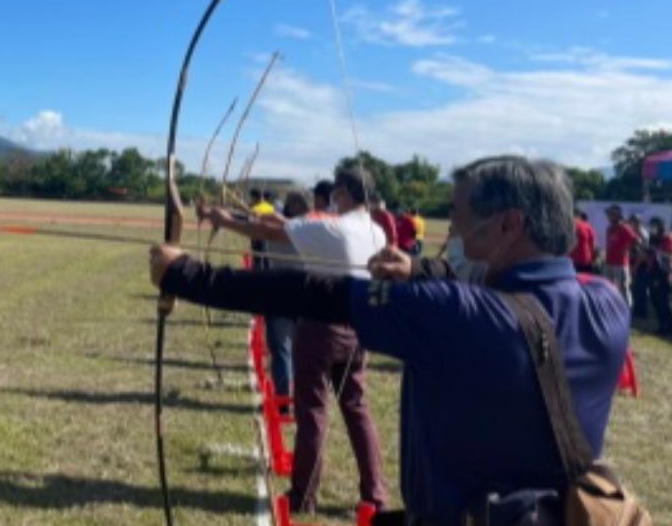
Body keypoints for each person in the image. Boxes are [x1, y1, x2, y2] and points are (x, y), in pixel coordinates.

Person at [151, 155, 629, 524]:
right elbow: (504, 289)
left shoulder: (457, 314)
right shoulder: (609, 305)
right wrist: (420, 268)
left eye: (461, 217)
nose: (455, 230)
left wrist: (185, 275)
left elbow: (315, 292)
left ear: (508, 225)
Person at [196, 168, 389, 514]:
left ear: (343, 192)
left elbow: (270, 229)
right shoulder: (375, 230)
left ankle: (304, 496)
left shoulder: (332, 226)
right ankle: (375, 495)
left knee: (312, 411)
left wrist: (222, 219)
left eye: (336, 194)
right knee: (357, 410)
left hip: (321, 326)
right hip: (361, 328)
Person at [261, 191, 310, 399]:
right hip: (292, 293)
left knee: (289, 350)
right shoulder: (312, 230)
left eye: (296, 203)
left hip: (289, 294)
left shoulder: (303, 230)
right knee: (287, 351)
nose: (293, 207)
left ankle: (290, 397)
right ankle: (287, 398)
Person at [604, 205, 639, 308]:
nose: (608, 216)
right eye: (608, 214)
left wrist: (627, 249)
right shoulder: (610, 228)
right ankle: (611, 307)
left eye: (611, 214)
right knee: (608, 287)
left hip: (621, 263)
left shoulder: (624, 228)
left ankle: (628, 310)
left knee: (624, 288)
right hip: (609, 262)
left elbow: (636, 240)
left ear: (617, 215)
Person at [646, 217, 672, 334]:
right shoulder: (653, 239)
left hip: (663, 272)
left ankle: (666, 327)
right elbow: (650, 254)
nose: (652, 229)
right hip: (653, 271)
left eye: (654, 226)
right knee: (654, 299)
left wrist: (656, 251)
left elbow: (667, 255)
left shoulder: (667, 238)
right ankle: (662, 325)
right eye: (651, 226)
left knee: (663, 300)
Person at [628, 214, 650, 319]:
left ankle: (642, 312)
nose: (630, 224)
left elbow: (643, 254)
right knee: (635, 288)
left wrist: (635, 267)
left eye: (632, 222)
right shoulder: (632, 233)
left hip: (642, 264)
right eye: (630, 222)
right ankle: (637, 309)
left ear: (638, 223)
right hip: (633, 263)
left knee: (641, 288)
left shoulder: (643, 234)